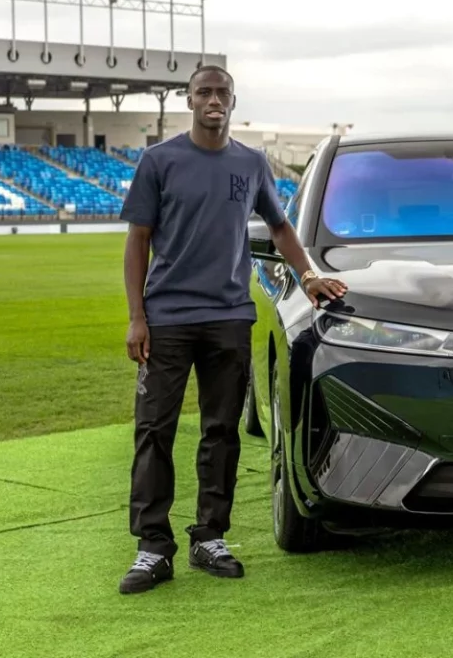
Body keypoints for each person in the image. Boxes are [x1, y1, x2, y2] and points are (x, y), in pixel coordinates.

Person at [117, 65, 347, 594]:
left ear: (232, 101)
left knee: (221, 433)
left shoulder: (251, 163)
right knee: (155, 432)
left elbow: (281, 227)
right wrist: (136, 315)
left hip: (228, 319)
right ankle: (153, 547)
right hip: (167, 320)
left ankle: (209, 537)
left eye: (222, 93)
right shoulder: (159, 161)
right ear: (190, 101)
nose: (213, 100)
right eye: (204, 93)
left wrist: (308, 275)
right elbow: (138, 240)